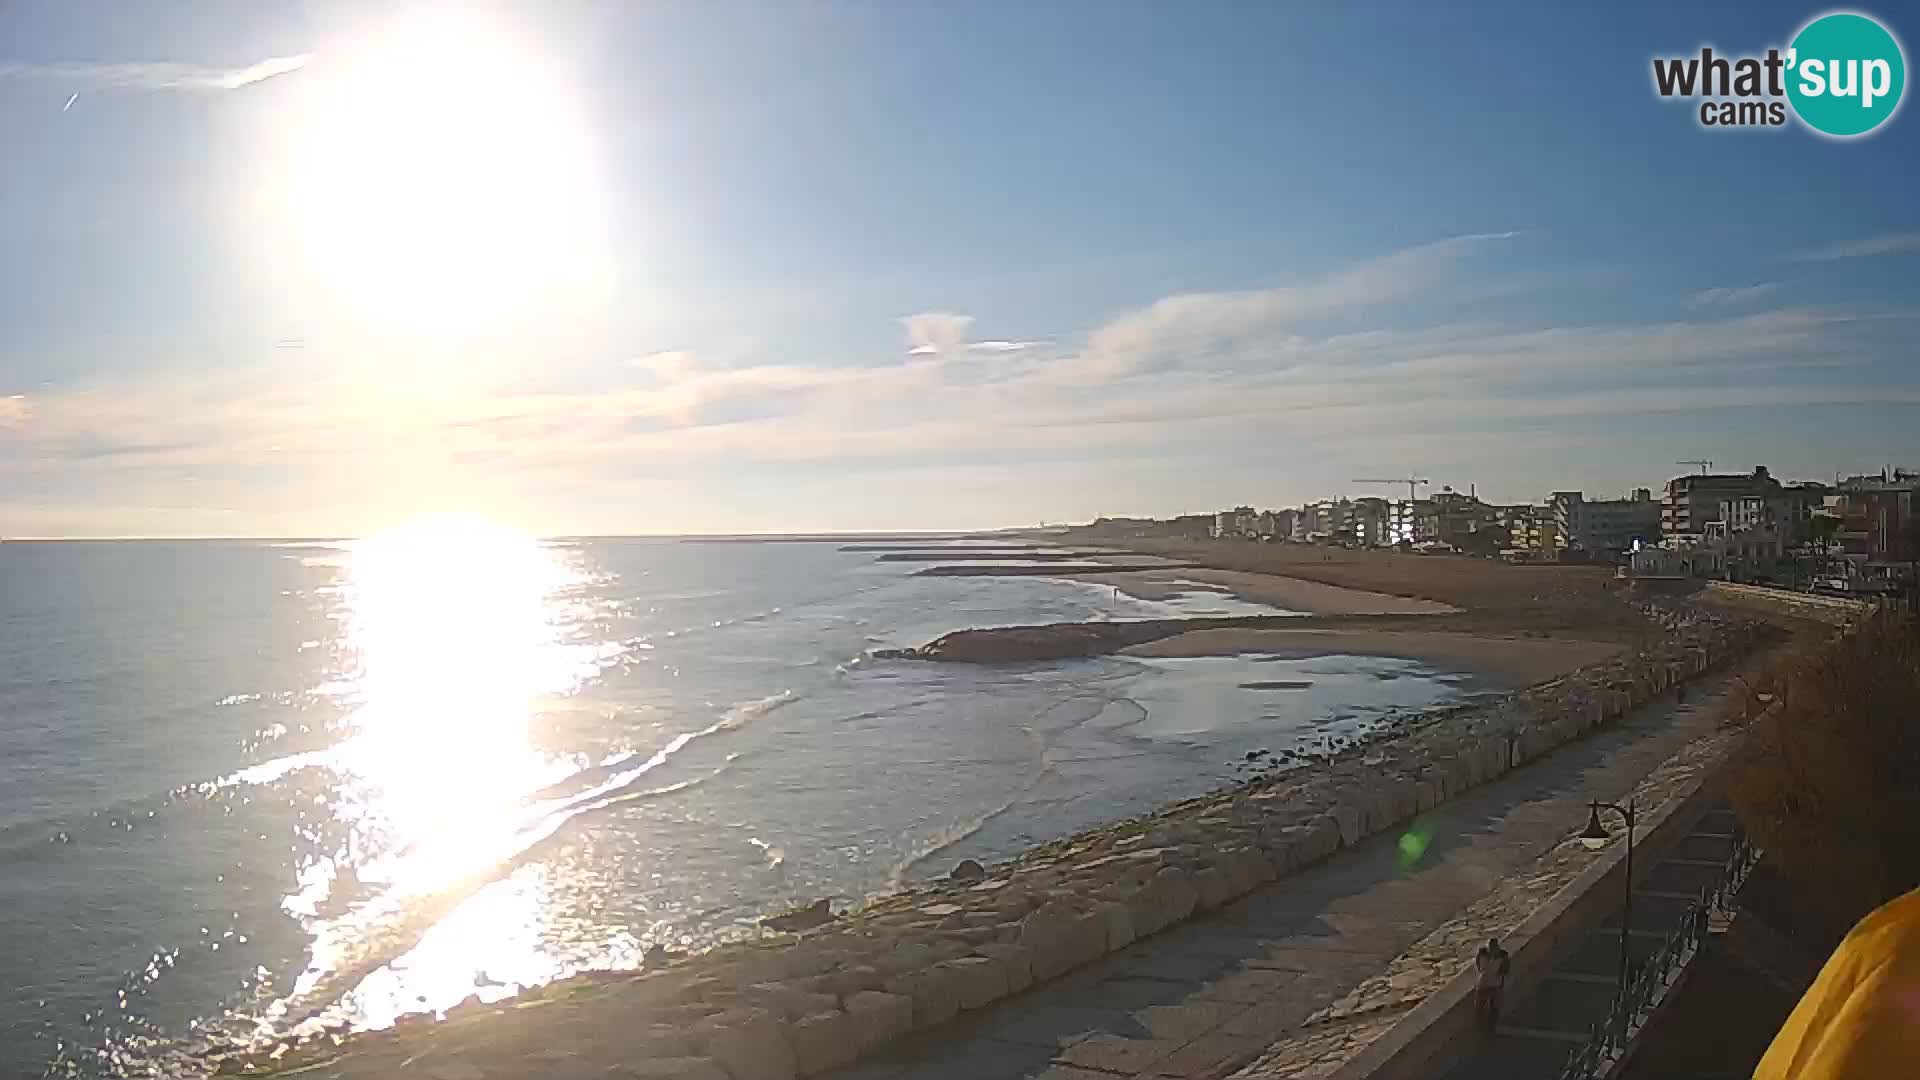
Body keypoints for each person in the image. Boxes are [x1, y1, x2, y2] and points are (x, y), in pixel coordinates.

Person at [1474, 936, 1510, 1031]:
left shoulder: (1502, 956)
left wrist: (1499, 977)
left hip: (1495, 985)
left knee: (1495, 1008)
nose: (1492, 949)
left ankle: (1492, 1026)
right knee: (1479, 1008)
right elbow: (1477, 964)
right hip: (1483, 984)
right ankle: (1482, 1026)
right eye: (1490, 947)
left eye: (1493, 947)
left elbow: (1505, 970)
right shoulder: (1482, 954)